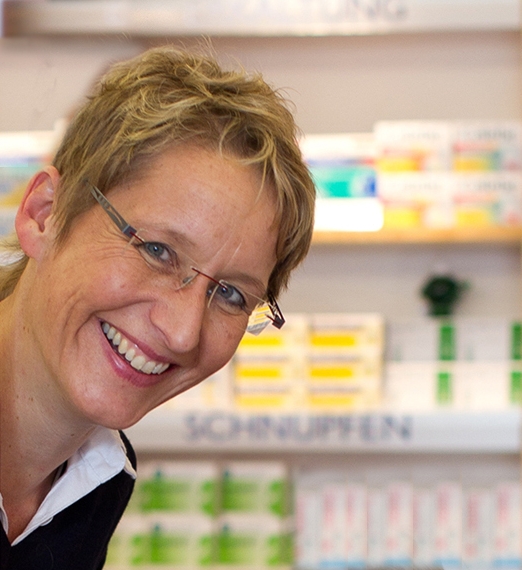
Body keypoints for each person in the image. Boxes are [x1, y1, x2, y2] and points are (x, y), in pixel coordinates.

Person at [0, 45, 315, 569]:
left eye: (230, 294)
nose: (183, 332)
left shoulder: (97, 481)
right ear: (44, 215)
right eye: (157, 251)